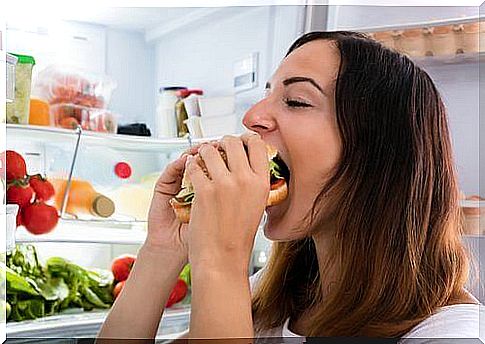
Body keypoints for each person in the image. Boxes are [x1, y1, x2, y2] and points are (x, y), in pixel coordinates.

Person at [97, 31, 483, 341]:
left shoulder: (452, 333)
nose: (253, 117)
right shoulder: (267, 297)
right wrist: (161, 251)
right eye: (267, 94)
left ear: (378, 155)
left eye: (296, 101)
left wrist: (223, 258)